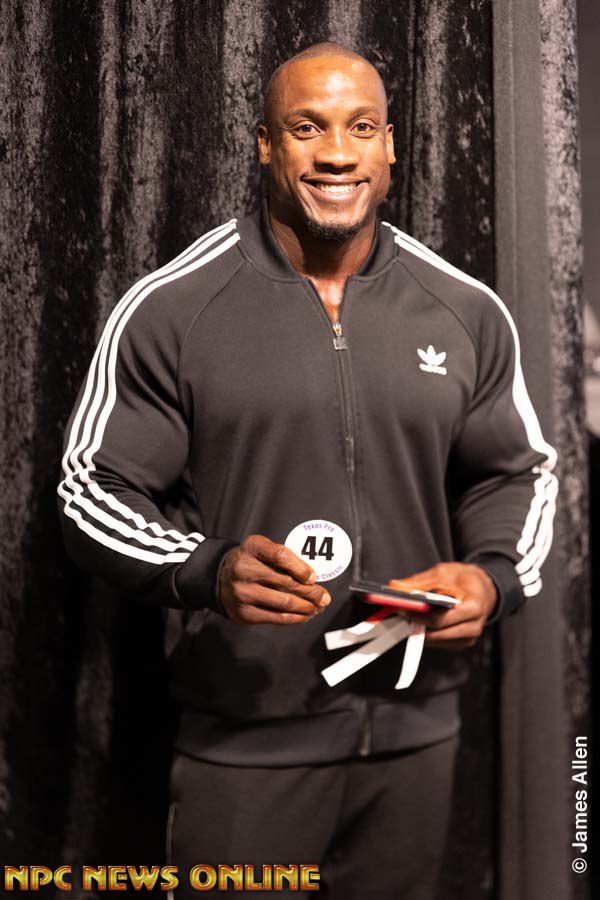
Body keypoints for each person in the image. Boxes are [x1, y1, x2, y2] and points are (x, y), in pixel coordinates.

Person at [58, 41, 557, 899]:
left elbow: (518, 472)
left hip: (415, 739)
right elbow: (90, 490)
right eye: (307, 128)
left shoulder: (464, 308)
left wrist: (493, 577)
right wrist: (203, 568)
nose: (336, 153)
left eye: (360, 128)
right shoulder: (175, 308)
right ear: (264, 144)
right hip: (247, 745)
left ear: (390, 147)